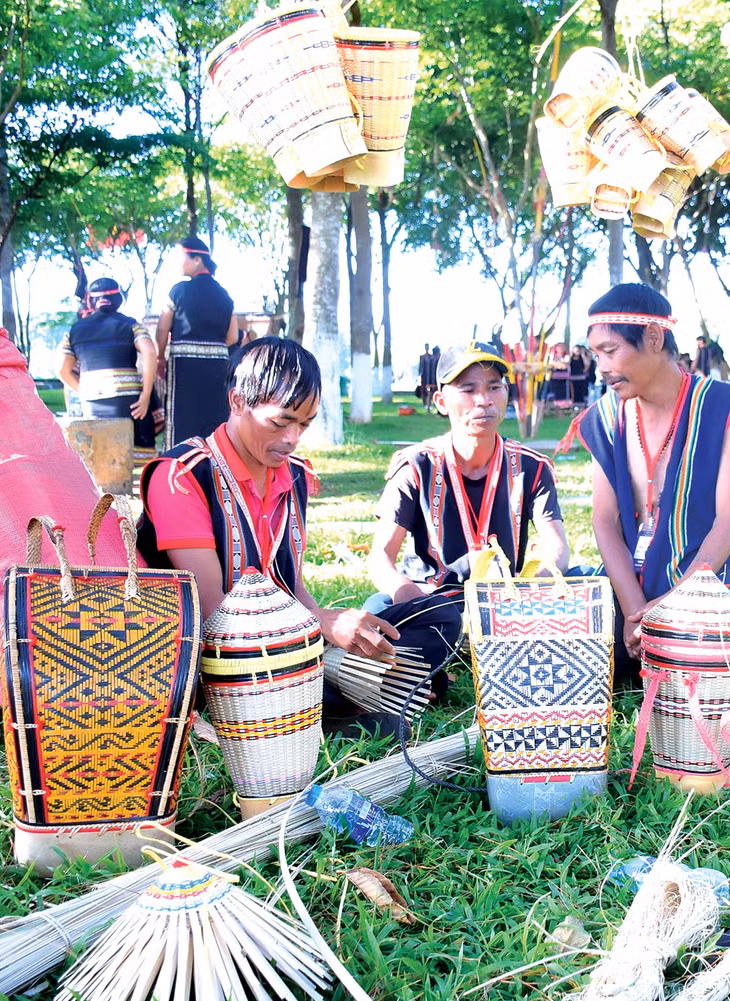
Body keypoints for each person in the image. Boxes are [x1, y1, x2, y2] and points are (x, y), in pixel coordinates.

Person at [137, 336, 402, 737]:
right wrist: (320, 626)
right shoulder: (181, 475)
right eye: (280, 422)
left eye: (305, 424)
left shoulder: (294, 474)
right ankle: (327, 702)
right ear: (237, 402)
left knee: (431, 622)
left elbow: (289, 583)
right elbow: (215, 616)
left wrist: (325, 627)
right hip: (204, 657)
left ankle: (349, 691)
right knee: (359, 700)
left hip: (281, 640)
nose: (293, 438)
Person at [561, 283, 730, 683]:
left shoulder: (725, 405)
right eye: (595, 354)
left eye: (610, 350)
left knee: (706, 661)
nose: (601, 367)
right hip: (629, 584)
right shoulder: (605, 416)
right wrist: (634, 608)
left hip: (704, 575)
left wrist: (670, 607)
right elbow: (604, 520)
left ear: (653, 338)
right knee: (575, 655)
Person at [367, 340, 570, 696]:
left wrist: (529, 591)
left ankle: (424, 667)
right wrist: (412, 600)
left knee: (587, 588)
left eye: (494, 387)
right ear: (441, 401)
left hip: (508, 605)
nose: (484, 400)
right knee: (376, 611)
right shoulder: (416, 465)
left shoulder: (531, 467)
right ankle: (419, 667)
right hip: (433, 603)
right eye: (469, 389)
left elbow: (557, 550)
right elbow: (380, 558)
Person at [59, 278, 158, 468]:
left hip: (92, 402)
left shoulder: (75, 330)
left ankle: (108, 489)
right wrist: (146, 394)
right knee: (129, 454)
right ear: (118, 300)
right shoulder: (131, 325)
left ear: (91, 301)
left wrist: (85, 391)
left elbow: (63, 372)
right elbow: (149, 351)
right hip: (128, 401)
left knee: (101, 460)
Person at [155, 235, 238, 447]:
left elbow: (163, 329)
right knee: (214, 415)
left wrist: (159, 358)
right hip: (218, 365)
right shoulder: (225, 295)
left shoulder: (178, 290)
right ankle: (215, 464)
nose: (179, 263)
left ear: (197, 259)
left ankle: (176, 464)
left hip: (184, 365)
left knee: (181, 416)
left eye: (182, 257)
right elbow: (233, 337)